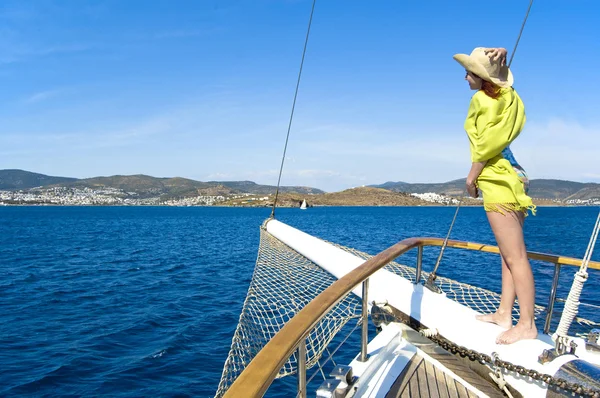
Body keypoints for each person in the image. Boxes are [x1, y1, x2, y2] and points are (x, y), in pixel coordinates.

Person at [453, 47, 537, 344]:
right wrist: (500, 58)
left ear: (480, 76)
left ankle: (526, 324)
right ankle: (504, 312)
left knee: (515, 256)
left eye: (469, 72)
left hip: (498, 178)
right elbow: (504, 89)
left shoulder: (481, 99)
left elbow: (485, 144)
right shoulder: (509, 97)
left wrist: (472, 177)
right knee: (508, 254)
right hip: (516, 174)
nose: (465, 77)